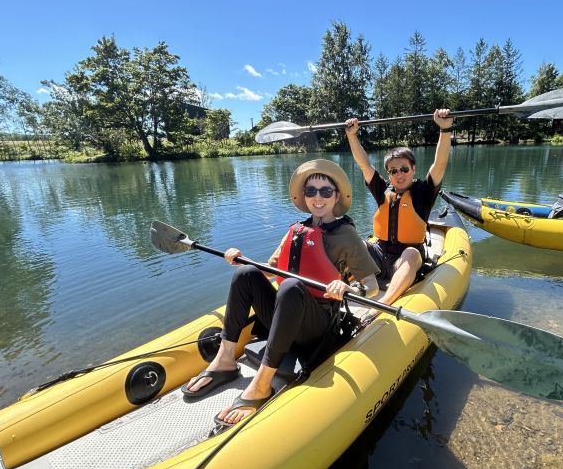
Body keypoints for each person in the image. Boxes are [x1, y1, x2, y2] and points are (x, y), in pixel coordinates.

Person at [182, 159, 379, 427]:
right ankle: (225, 360)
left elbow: (372, 285)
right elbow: (268, 270)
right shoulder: (296, 231)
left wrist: (349, 287)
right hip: (287, 313)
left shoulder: (347, 235)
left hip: (317, 325)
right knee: (245, 274)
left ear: (336, 195)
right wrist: (241, 259)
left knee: (289, 286)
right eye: (310, 191)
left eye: (325, 191)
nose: (317, 198)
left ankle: (262, 385)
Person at [345, 109, 454, 306]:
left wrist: (444, 130)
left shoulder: (423, 191)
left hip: (407, 257)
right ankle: (339, 285)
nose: (399, 174)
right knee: (356, 244)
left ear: (413, 169)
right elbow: (364, 164)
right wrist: (352, 136)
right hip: (379, 253)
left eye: (404, 169)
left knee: (411, 253)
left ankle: (384, 303)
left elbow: (440, 163)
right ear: (389, 175)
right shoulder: (382, 190)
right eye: (393, 171)